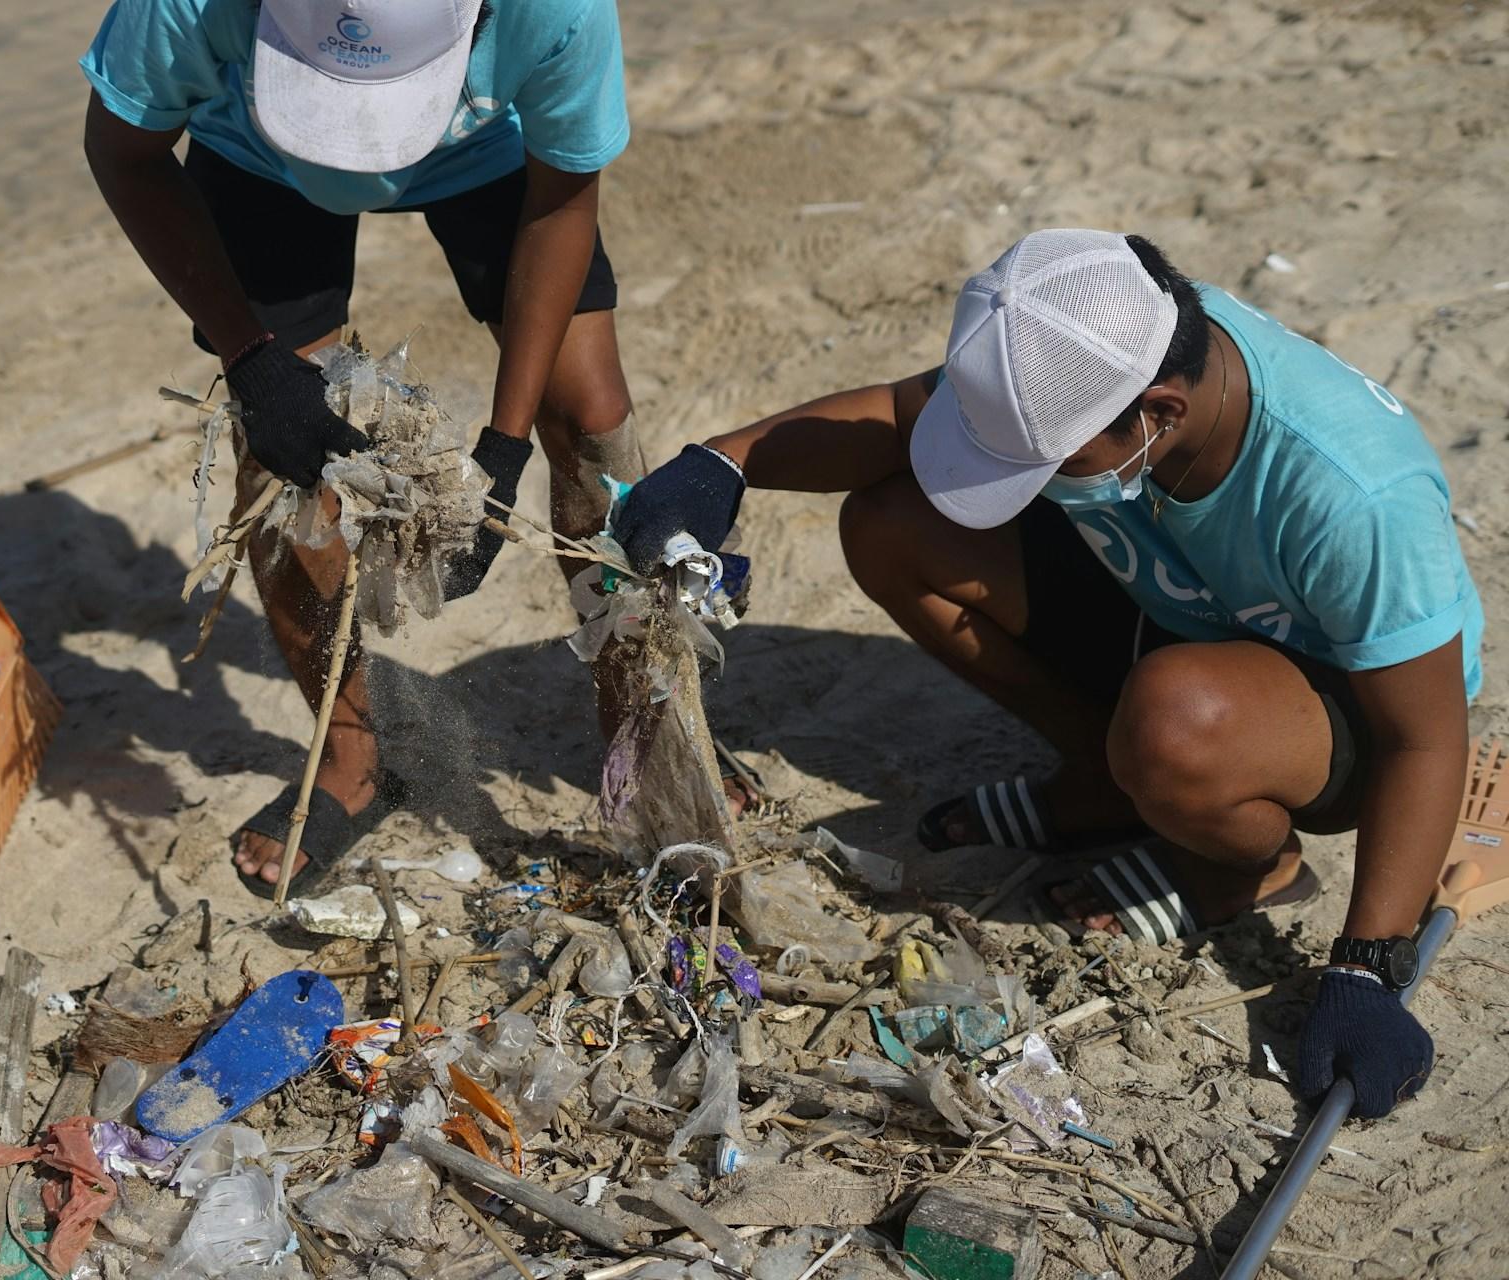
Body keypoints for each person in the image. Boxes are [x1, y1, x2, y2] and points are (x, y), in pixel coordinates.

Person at [615, 228, 1483, 1119]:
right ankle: (1112, 782)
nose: (1025, 480)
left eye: (1045, 462)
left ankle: (1241, 868)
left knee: (1174, 723)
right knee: (890, 523)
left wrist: (1369, 967)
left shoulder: (1352, 496)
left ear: (1160, 413)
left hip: (1331, 709)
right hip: (1181, 605)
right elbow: (906, 419)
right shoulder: (1095, 337)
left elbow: (1425, 736)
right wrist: (724, 465)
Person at [82, 0, 649, 895]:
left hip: (487, 148)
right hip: (258, 150)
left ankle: (641, 729)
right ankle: (352, 759)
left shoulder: (557, 11)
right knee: (281, 473)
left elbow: (562, 192)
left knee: (592, 422)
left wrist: (504, 447)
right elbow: (123, 149)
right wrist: (253, 361)